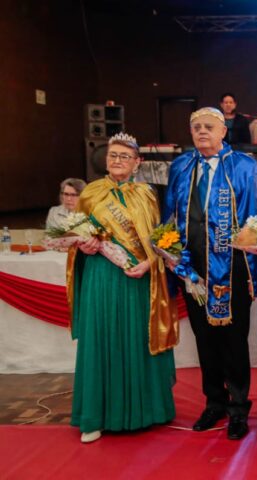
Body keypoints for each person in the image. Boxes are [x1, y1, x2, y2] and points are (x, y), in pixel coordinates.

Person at [68, 133, 178, 443]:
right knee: (101, 338)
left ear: (137, 162)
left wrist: (150, 263)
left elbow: (157, 238)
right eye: (113, 155)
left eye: (125, 156)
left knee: (138, 338)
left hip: (139, 278)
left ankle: (146, 412)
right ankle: (95, 417)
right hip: (101, 276)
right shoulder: (91, 193)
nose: (118, 160)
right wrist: (83, 246)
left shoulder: (146, 194)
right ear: (105, 160)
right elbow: (74, 236)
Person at [164, 107, 257, 440]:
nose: (202, 132)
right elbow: (169, 214)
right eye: (196, 127)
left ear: (224, 131)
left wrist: (254, 259)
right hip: (192, 267)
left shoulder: (244, 166)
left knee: (233, 340)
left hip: (233, 267)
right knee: (204, 339)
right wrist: (169, 252)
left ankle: (238, 407)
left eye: (209, 126)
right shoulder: (181, 166)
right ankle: (214, 402)